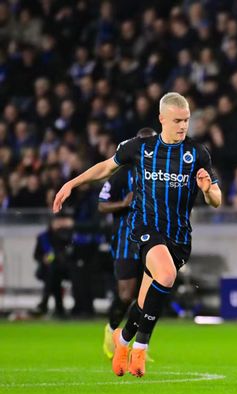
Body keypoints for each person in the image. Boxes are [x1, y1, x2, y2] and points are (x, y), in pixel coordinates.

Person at [53, 92, 222, 377]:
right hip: (146, 228)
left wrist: (207, 191)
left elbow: (216, 199)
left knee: (144, 302)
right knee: (166, 275)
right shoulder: (140, 148)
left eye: (186, 120)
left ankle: (122, 340)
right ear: (162, 119)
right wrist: (72, 183)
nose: (183, 126)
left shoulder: (197, 153)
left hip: (179, 237)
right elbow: (106, 167)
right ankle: (140, 348)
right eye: (177, 121)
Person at [100, 127, 157, 359]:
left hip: (153, 238)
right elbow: (102, 204)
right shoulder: (122, 173)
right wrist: (123, 204)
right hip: (126, 239)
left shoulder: (161, 171)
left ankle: (139, 345)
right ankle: (112, 330)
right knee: (126, 294)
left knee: (148, 296)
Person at [32, 213, 74, 318]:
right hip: (47, 269)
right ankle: (59, 308)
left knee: (53, 277)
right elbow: (36, 255)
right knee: (53, 277)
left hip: (63, 268)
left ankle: (44, 304)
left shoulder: (65, 236)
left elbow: (68, 251)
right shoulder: (43, 237)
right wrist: (43, 258)